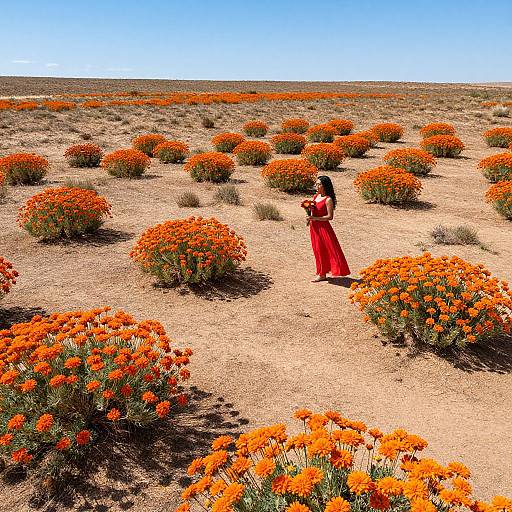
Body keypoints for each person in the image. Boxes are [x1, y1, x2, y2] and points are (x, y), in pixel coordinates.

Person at [307, 175, 350, 282]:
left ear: (325, 185)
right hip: (314, 227)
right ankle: (322, 272)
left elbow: (330, 217)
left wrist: (314, 218)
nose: (317, 186)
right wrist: (309, 214)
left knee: (324, 250)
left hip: (323, 228)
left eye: (319, 184)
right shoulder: (315, 196)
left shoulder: (328, 200)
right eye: (316, 184)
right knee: (317, 249)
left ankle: (322, 274)